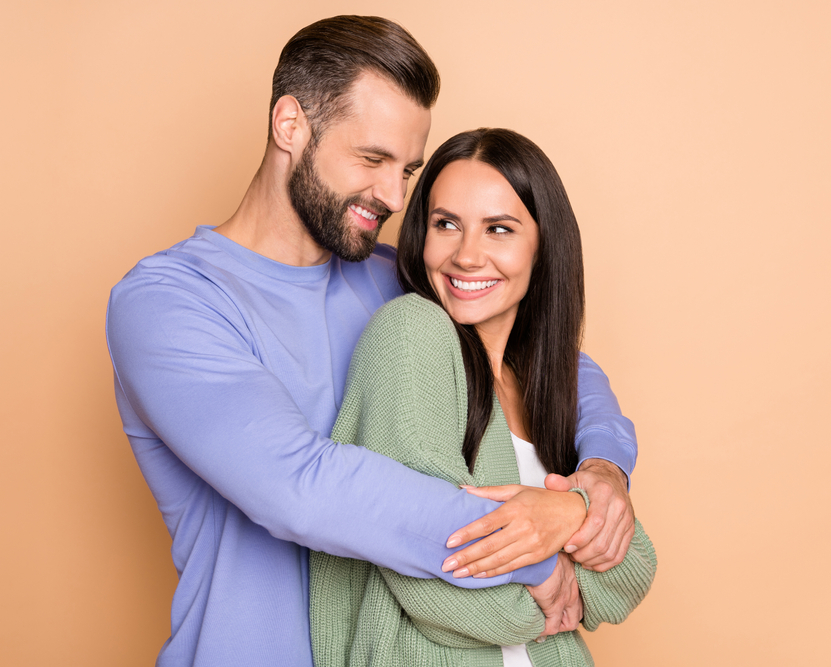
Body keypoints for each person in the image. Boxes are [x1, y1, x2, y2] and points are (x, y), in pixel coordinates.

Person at [105, 16, 638, 667]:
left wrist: (601, 472)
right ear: (290, 125)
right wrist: (531, 546)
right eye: (373, 159)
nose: (393, 195)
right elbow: (302, 485)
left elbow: (552, 361)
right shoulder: (169, 302)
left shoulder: (394, 281)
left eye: (408, 168)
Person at [310, 128, 656, 666]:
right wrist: (558, 588)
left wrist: (568, 512)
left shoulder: (549, 382)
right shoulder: (410, 334)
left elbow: (632, 569)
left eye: (499, 229)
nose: (467, 255)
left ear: (543, 246)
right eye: (446, 224)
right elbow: (428, 572)